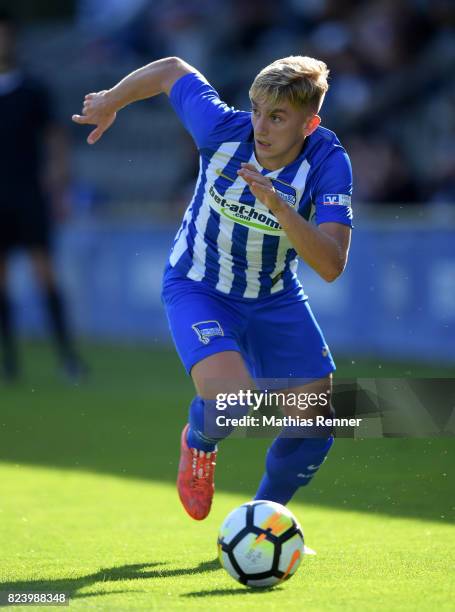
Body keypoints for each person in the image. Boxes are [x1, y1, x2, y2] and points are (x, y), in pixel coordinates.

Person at [73, 54, 353, 520]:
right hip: (199, 285)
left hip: (274, 297)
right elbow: (171, 70)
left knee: (317, 423)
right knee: (232, 399)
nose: (261, 127)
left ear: (310, 123)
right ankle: (198, 441)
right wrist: (109, 100)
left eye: (278, 117)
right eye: (258, 110)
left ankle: (261, 523)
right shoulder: (222, 130)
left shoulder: (329, 162)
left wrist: (280, 207)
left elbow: (331, 265)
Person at [0, 10, 84, 381]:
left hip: (28, 194)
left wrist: (59, 184)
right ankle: (10, 363)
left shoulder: (33, 89)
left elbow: (54, 138)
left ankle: (68, 358)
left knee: (45, 276)